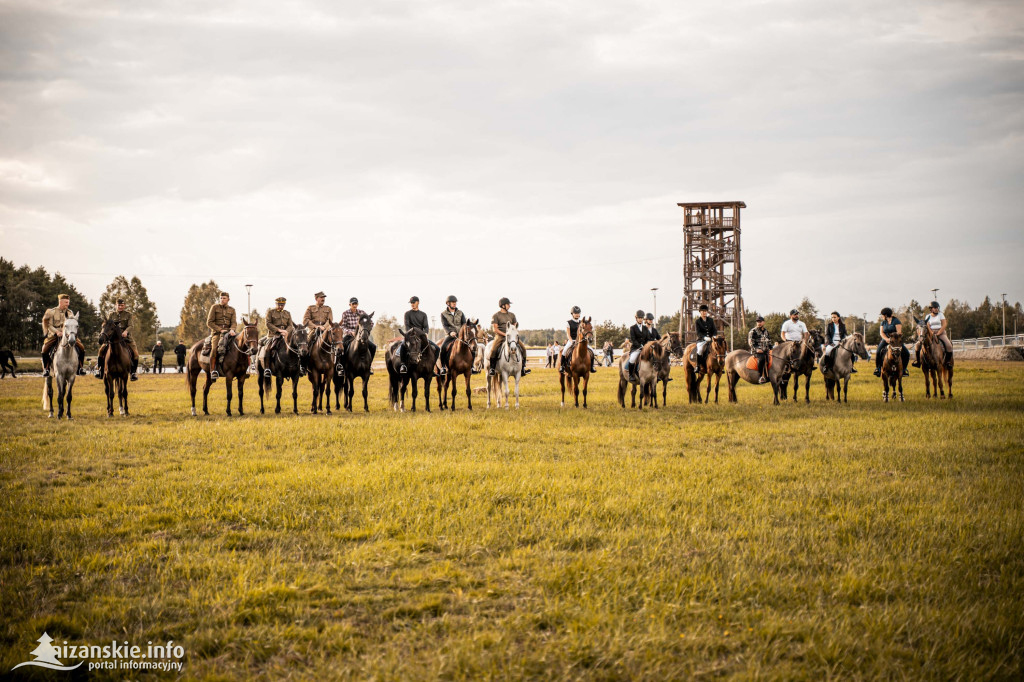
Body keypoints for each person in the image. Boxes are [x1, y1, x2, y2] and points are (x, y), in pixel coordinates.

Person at [40, 294, 86, 378]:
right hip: (54, 335)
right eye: (66, 302)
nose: (68, 304)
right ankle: (46, 369)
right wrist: (57, 332)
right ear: (60, 302)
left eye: (68, 302)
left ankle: (80, 368)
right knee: (44, 349)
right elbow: (49, 325)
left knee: (82, 348)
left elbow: (72, 323)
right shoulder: (51, 312)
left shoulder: (70, 312)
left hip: (68, 335)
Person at [96, 298, 139, 381]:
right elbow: (107, 324)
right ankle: (100, 371)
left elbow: (131, 325)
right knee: (101, 351)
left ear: (124, 306)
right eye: (119, 305)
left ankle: (133, 373)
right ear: (116, 305)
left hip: (125, 337)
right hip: (112, 338)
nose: (120, 307)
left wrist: (126, 331)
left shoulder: (128, 315)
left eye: (122, 305)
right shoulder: (111, 315)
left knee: (136, 354)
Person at [396, 296, 439, 374]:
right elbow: (407, 326)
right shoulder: (407, 314)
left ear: (418, 302)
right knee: (402, 346)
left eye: (413, 303)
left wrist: (425, 333)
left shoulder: (423, 314)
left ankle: (432, 367)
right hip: (411, 336)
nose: (412, 304)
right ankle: (403, 366)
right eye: (411, 303)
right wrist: (412, 334)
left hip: (421, 337)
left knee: (437, 348)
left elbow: (426, 326)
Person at [488, 297, 531, 376]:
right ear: (503, 305)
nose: (509, 306)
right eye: (508, 304)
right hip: (500, 336)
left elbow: (514, 327)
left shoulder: (512, 315)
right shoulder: (496, 315)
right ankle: (492, 368)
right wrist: (504, 334)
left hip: (511, 337)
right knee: (493, 349)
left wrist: (512, 334)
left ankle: (523, 368)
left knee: (523, 348)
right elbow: (495, 329)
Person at [438, 295, 475, 375]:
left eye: (455, 302)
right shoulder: (443, 314)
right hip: (450, 335)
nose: (454, 304)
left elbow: (464, 324)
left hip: (461, 335)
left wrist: (462, 333)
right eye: (453, 302)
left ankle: (472, 366)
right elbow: (445, 325)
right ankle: (443, 367)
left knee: (472, 347)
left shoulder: (460, 313)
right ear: (448, 303)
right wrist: (450, 332)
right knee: (443, 347)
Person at [260, 296, 296, 378]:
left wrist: (286, 331)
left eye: (282, 305)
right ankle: (267, 369)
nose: (280, 306)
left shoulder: (287, 313)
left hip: (286, 335)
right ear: (276, 304)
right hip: (273, 335)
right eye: (279, 304)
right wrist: (279, 331)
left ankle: (299, 367)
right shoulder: (271, 312)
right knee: (268, 348)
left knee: (296, 346)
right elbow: (268, 324)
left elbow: (290, 325)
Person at [339, 297, 376, 374]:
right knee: (341, 348)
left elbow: (370, 322)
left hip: (360, 335)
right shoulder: (345, 313)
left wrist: (366, 330)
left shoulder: (362, 313)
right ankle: (341, 367)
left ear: (357, 304)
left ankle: (368, 366)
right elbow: (343, 326)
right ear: (350, 304)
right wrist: (350, 332)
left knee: (373, 347)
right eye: (353, 304)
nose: (354, 305)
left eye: (356, 304)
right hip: (349, 336)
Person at [913, 301, 954, 369]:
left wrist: (939, 333)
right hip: (930, 333)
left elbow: (944, 325)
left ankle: (947, 362)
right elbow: (927, 325)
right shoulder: (927, 316)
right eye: (935, 308)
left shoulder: (941, 315)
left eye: (937, 308)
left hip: (941, 332)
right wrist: (931, 333)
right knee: (917, 345)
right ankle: (918, 362)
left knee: (949, 345)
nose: (936, 309)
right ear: (931, 309)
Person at [206, 292, 237, 380]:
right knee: (215, 348)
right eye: (221, 298)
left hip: (229, 332)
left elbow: (234, 322)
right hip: (217, 333)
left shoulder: (232, 309)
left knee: (241, 345)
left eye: (224, 298)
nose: (222, 300)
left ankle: (242, 370)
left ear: (228, 299)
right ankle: (213, 370)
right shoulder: (214, 307)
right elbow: (209, 322)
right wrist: (220, 329)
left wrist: (232, 329)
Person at [874, 307, 910, 377]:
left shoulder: (896, 321)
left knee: (906, 353)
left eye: (882, 315)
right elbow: (881, 333)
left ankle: (904, 370)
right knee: (878, 352)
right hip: (885, 340)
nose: (882, 316)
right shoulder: (883, 322)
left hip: (895, 341)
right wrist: (886, 339)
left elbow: (899, 333)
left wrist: (892, 339)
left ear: (886, 315)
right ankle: (878, 369)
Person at [561, 306, 598, 373]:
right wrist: (571, 341)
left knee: (592, 351)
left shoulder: (582, 322)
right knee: (564, 351)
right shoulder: (569, 323)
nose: (577, 314)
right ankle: (562, 366)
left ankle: (592, 367)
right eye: (575, 313)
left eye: (578, 313)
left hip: (581, 340)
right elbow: (568, 334)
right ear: (572, 314)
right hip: (572, 340)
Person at [624, 310, 651, 381]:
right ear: (636, 318)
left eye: (642, 318)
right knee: (632, 359)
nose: (640, 319)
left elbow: (648, 338)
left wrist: (646, 346)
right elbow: (633, 339)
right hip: (636, 348)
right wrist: (640, 346)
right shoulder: (632, 328)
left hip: (645, 348)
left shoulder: (645, 328)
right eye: (639, 318)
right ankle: (631, 375)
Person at [748, 315, 773, 383]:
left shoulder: (766, 331)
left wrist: (772, 348)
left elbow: (769, 341)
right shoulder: (753, 331)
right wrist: (756, 349)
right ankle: (760, 377)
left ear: (763, 322)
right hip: (757, 351)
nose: (759, 323)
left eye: (760, 321)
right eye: (758, 322)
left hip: (766, 350)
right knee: (762, 359)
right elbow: (751, 342)